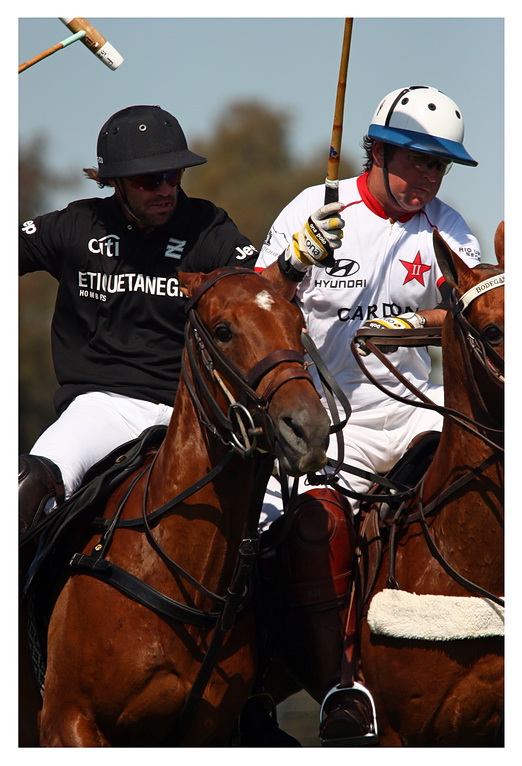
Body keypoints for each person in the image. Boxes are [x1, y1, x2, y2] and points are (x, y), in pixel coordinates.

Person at [255, 85, 482, 745]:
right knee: (314, 525)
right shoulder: (316, 208)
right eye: (417, 160)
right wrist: (294, 262)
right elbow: (255, 303)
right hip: (332, 419)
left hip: (415, 411)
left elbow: (480, 306)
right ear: (377, 150)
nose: (429, 177)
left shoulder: (446, 226)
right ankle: (339, 685)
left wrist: (417, 323)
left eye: (440, 166)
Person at [19, 104, 260, 532]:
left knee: (283, 522)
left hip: (194, 411)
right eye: (149, 181)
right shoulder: (78, 224)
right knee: (27, 485)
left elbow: (259, 291)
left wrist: (294, 264)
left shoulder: (207, 227)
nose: (165, 189)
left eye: (173, 175)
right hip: (102, 408)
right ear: (115, 182)